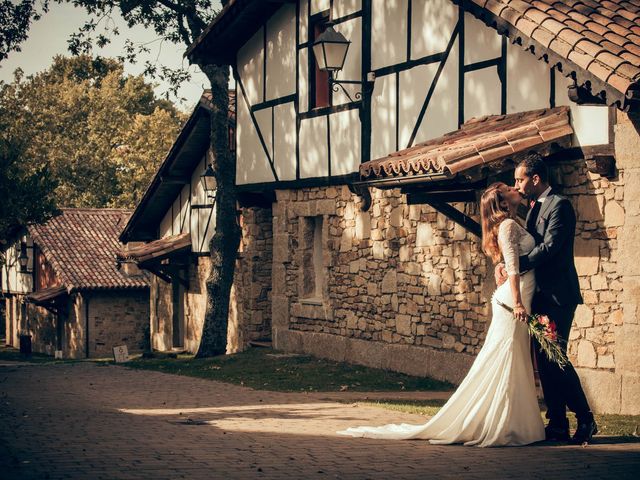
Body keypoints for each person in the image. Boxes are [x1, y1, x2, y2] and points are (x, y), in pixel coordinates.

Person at [337, 182, 545, 447]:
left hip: (519, 296)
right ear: (503, 203)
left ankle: (514, 422)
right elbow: (514, 267)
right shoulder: (506, 226)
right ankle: (502, 424)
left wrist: (504, 271)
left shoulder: (511, 223)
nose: (515, 188)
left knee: (513, 359)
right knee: (506, 359)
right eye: (508, 188)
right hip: (514, 301)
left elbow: (507, 261)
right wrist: (517, 303)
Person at [507, 152, 596, 444]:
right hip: (540, 297)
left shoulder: (560, 206)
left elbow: (550, 247)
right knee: (544, 362)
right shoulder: (532, 207)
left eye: (520, 179)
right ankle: (557, 422)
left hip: (558, 296)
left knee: (557, 358)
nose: (516, 185)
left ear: (535, 178)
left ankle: (586, 418)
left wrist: (517, 265)